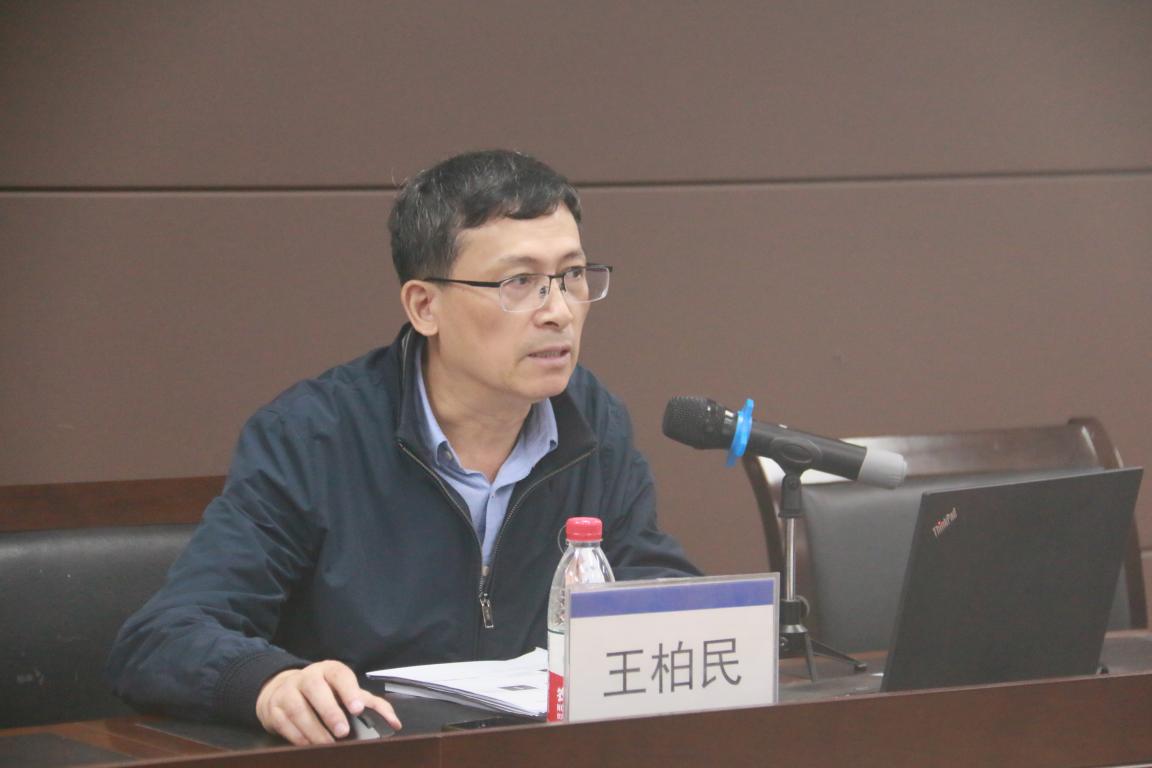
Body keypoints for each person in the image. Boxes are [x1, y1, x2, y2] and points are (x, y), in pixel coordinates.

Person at [106, 149, 700, 745]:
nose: (559, 312)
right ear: (425, 306)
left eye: (572, 276)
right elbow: (165, 636)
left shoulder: (591, 422)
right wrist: (270, 683)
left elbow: (651, 585)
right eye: (519, 283)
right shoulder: (313, 436)